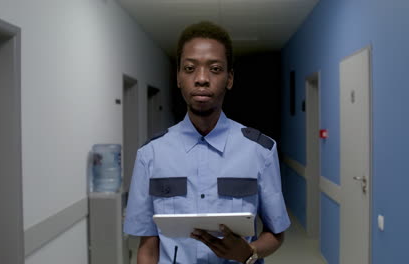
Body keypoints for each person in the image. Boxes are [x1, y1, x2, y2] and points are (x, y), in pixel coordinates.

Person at [123, 21, 290, 264]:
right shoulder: (151, 155)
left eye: (214, 68)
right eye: (190, 68)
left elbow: (276, 233)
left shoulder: (260, 151)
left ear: (229, 78)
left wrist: (249, 252)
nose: (201, 79)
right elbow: (148, 247)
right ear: (179, 77)